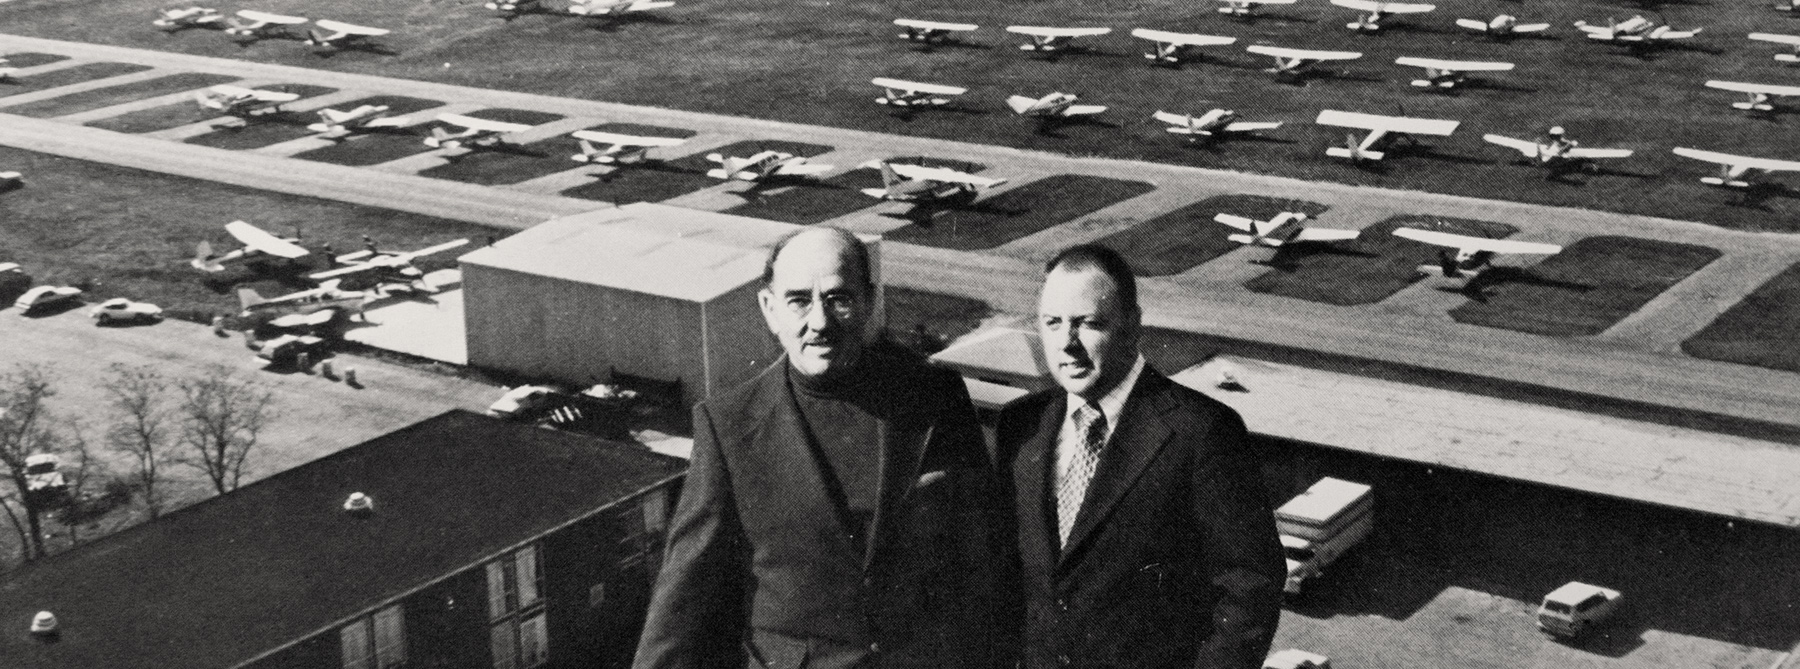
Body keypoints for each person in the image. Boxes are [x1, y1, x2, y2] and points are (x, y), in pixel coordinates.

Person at [633, 228, 1014, 669]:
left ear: (869, 302)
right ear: (769, 309)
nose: (819, 322)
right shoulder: (729, 427)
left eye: (839, 299)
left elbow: (986, 558)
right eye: (798, 300)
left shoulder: (935, 397)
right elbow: (685, 595)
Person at [997, 244, 1285, 669]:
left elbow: (1250, 584)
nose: (1067, 344)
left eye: (1089, 324)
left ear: (1132, 326)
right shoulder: (1022, 424)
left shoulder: (1201, 431)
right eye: (1052, 323)